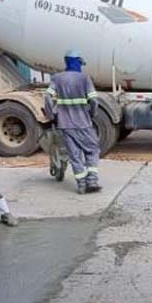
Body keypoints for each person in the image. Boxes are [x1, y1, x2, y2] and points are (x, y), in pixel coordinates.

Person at [44, 49, 101, 194]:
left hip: (65, 125)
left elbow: (47, 97)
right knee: (92, 150)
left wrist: (52, 115)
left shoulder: (57, 78)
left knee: (74, 155)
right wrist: (92, 114)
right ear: (78, 62)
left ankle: (81, 185)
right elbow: (94, 100)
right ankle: (92, 181)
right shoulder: (84, 78)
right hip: (83, 123)